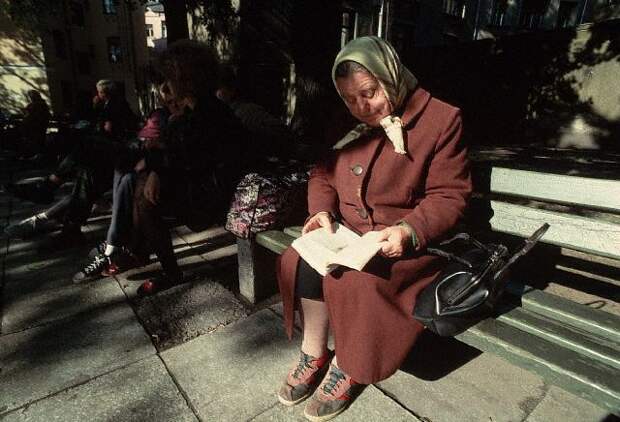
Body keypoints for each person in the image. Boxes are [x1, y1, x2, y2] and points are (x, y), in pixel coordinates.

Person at [275, 36, 472, 421]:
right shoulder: (346, 120)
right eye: (349, 98)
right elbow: (322, 174)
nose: (360, 108)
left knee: (354, 281)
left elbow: (450, 195)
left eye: (369, 93)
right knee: (299, 259)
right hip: (350, 233)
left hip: (408, 245)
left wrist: (408, 230)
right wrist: (321, 213)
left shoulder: (442, 119)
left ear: (391, 75)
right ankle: (315, 353)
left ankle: (350, 367)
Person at [131, 40, 248, 297]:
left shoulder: (209, 114)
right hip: (203, 187)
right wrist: (157, 169)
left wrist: (158, 171)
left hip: (213, 197)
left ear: (185, 79)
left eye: (169, 79)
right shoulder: (193, 112)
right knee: (139, 183)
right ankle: (138, 250)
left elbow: (188, 160)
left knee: (144, 195)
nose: (164, 87)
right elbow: (171, 154)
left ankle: (159, 265)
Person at [19, 90, 51, 158]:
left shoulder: (41, 104)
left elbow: (44, 115)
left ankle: (38, 153)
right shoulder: (31, 104)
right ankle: (31, 153)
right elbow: (27, 113)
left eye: (32, 96)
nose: (31, 98)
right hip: (29, 126)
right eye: (30, 96)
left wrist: (31, 113)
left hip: (37, 126)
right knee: (28, 138)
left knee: (37, 139)